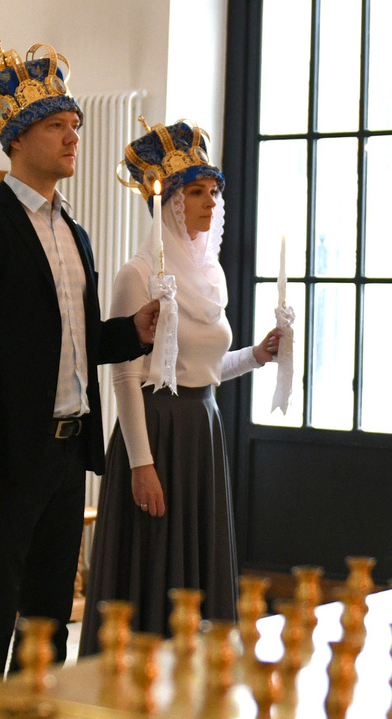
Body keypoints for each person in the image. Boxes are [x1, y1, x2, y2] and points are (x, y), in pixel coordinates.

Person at [0, 39, 161, 719]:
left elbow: (72, 342)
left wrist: (129, 331)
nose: (74, 136)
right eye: (60, 124)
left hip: (69, 456)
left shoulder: (78, 235)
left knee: (44, 622)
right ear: (19, 136)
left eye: (74, 124)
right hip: (7, 460)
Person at [81, 122, 281, 646]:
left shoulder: (210, 276)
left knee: (197, 562)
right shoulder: (137, 273)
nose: (209, 203)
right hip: (155, 435)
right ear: (170, 202)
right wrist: (142, 464)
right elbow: (126, 377)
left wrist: (257, 357)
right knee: (152, 567)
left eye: (214, 192)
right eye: (196, 192)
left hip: (201, 430)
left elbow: (203, 370)